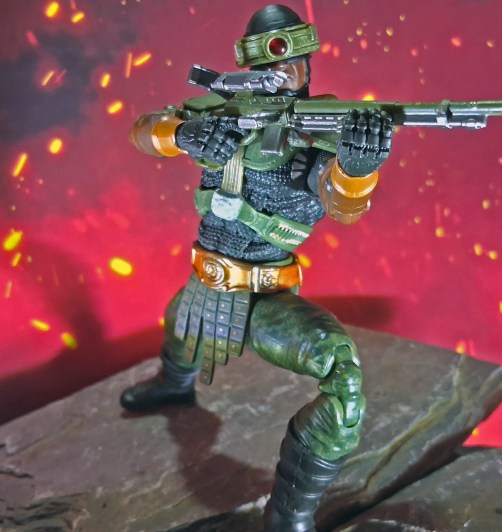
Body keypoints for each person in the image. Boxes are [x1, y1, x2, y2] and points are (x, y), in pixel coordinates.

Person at [120, 4, 392, 531]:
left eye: (291, 64)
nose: (281, 74)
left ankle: (289, 514)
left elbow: (343, 206)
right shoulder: (219, 112)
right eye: (268, 65)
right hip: (204, 281)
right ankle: (175, 384)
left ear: (308, 67)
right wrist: (184, 136)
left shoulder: (321, 137)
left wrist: (357, 170)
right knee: (180, 326)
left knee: (342, 378)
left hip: (267, 299)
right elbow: (143, 130)